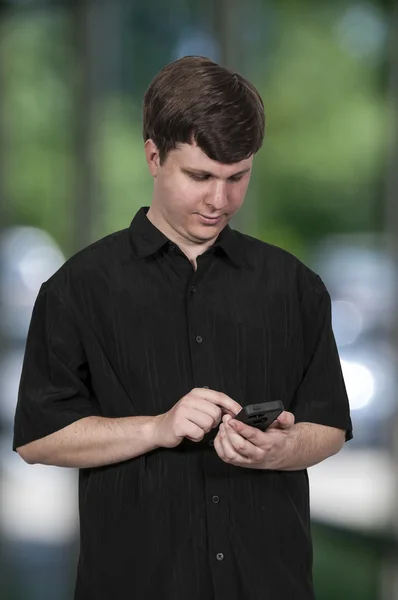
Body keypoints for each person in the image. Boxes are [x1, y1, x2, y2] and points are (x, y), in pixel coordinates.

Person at [13, 55, 353, 600]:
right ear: (153, 156)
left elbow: (329, 426)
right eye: (200, 176)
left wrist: (278, 451)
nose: (220, 200)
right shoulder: (76, 288)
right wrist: (155, 428)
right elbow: (39, 437)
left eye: (236, 177)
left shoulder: (295, 286)